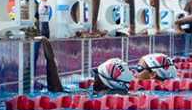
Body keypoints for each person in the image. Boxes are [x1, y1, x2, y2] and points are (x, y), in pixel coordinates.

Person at [37, 36, 177, 93]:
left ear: (105, 83)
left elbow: (56, 91)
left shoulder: (96, 97)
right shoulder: (134, 94)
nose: (134, 72)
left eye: (96, 75)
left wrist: (50, 60)